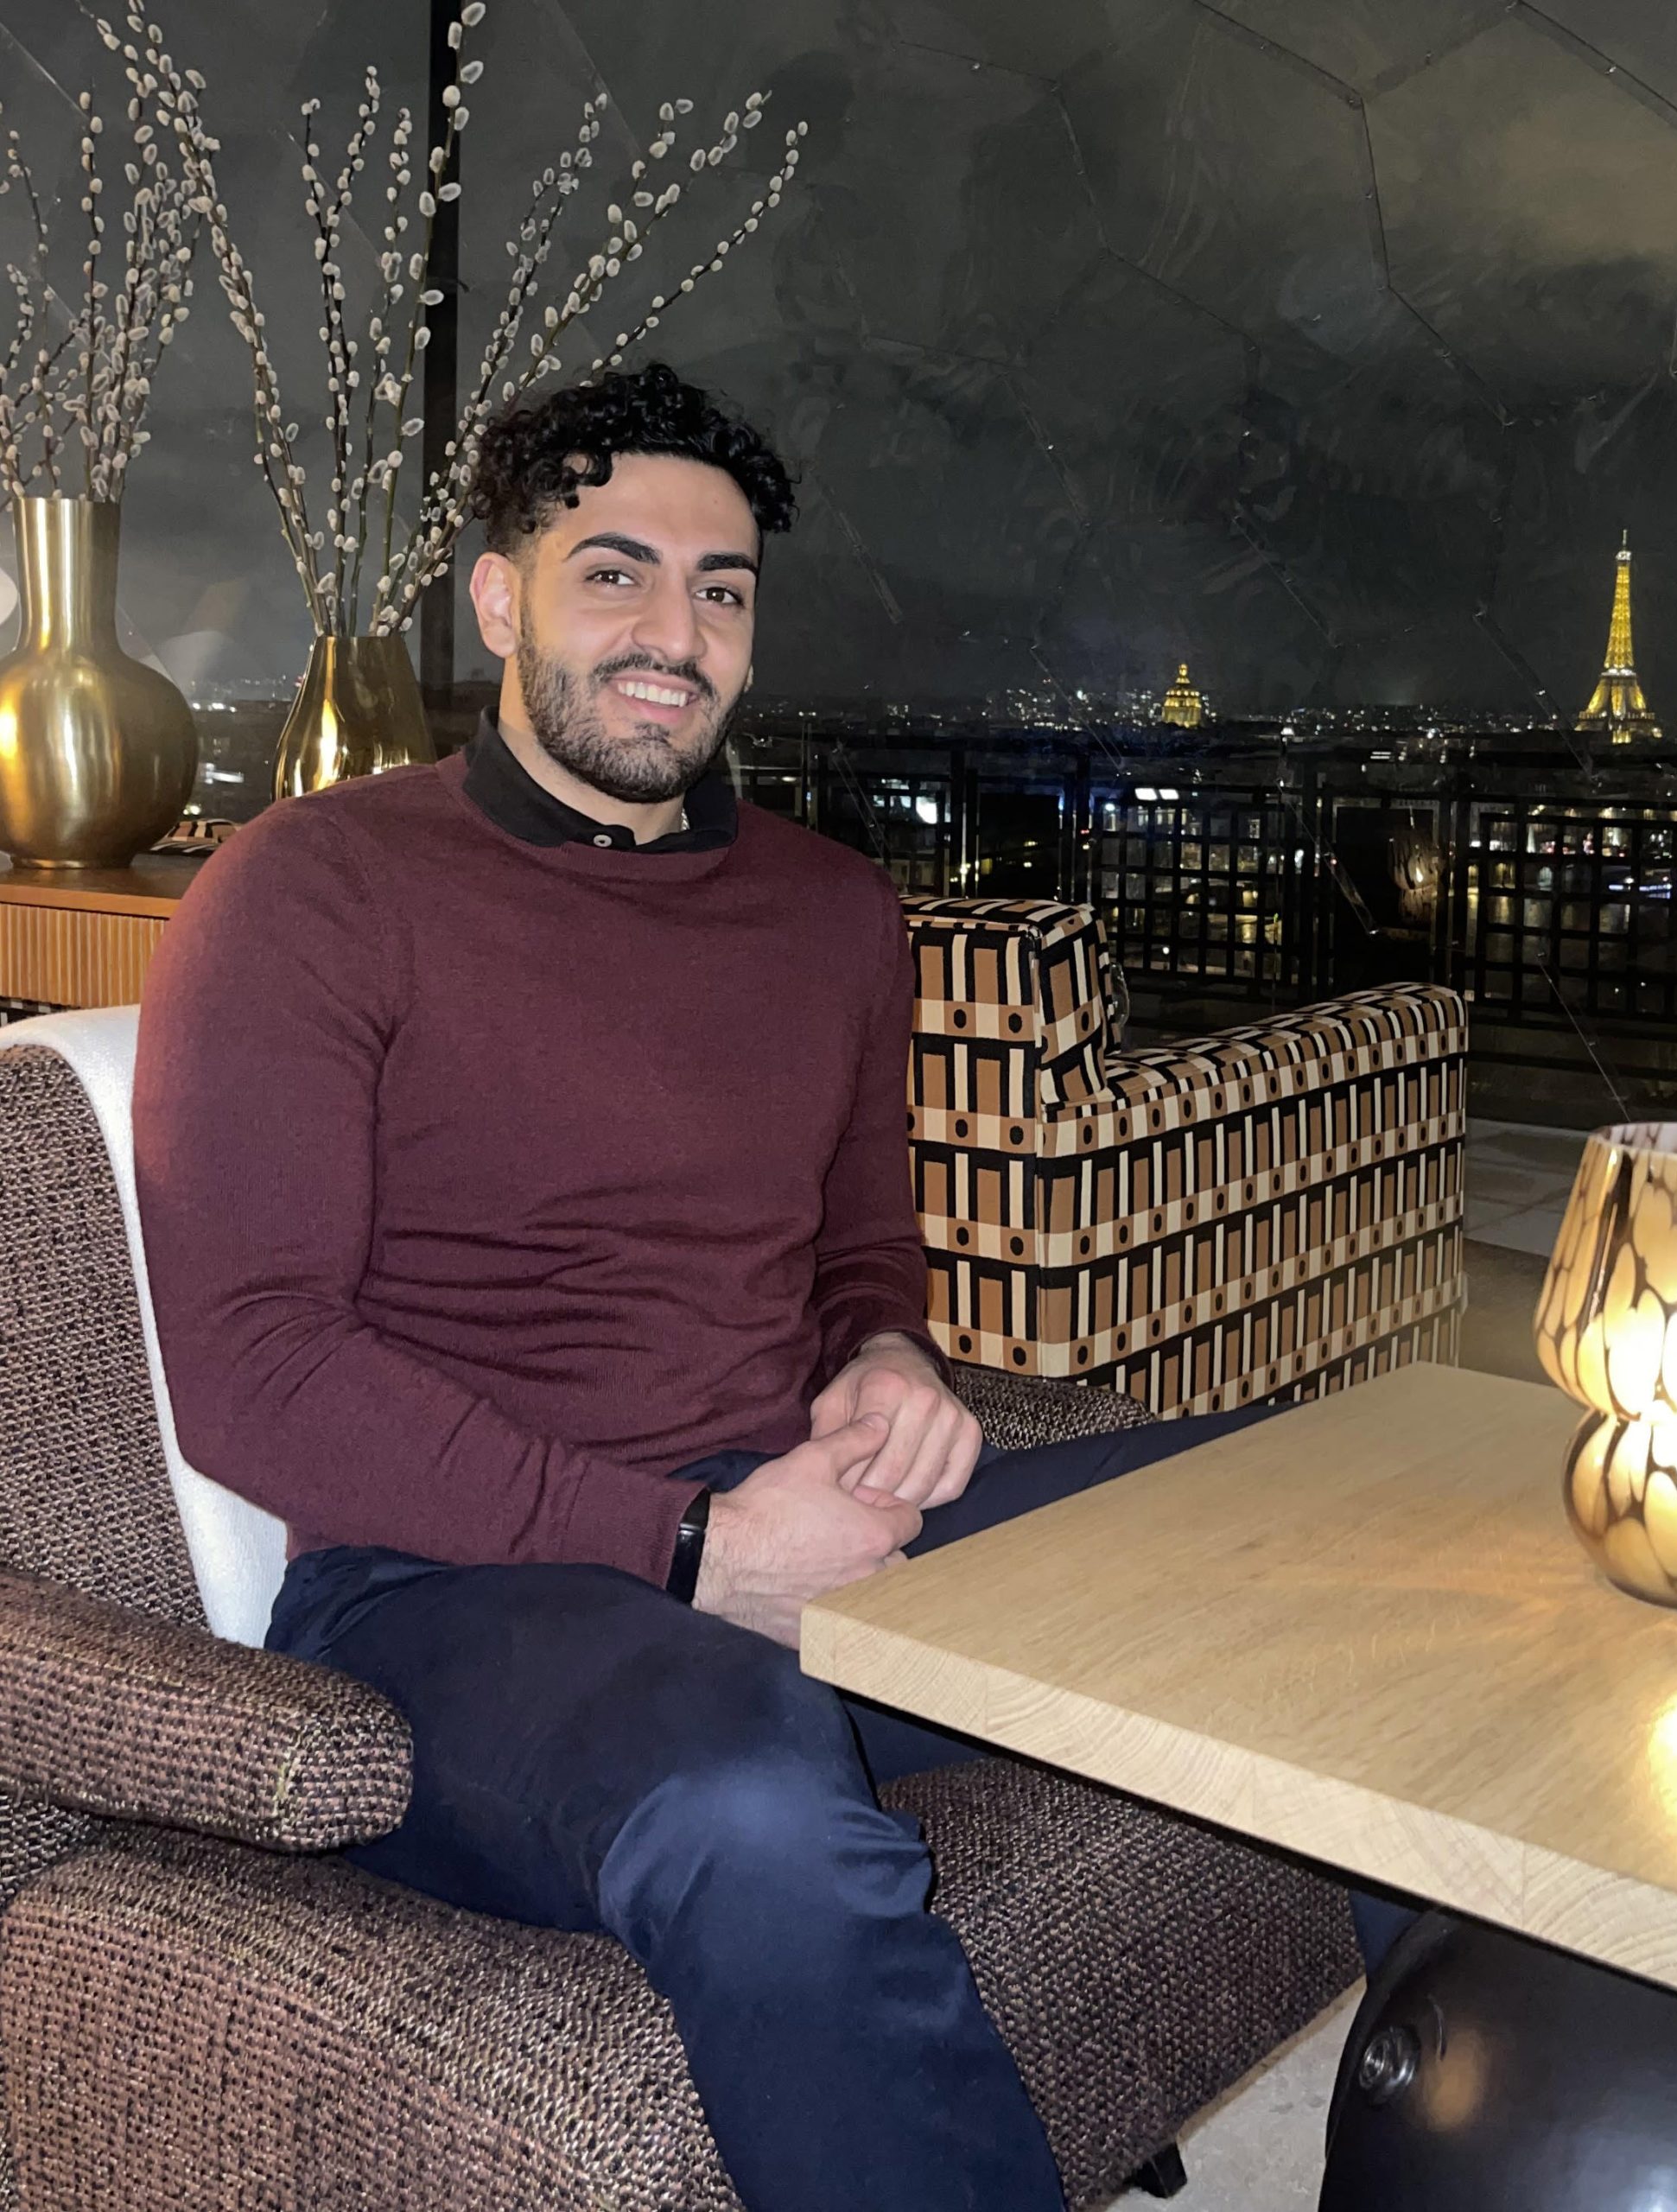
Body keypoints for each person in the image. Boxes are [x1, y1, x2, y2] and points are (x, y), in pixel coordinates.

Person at [133, 362, 1270, 2212]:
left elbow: (853, 1249)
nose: (675, 630)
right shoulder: (306, 891)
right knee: (751, 1811)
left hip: (805, 1517)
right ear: (499, 601)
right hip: (458, 1596)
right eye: (615, 572)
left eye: (721, 587)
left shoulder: (830, 910)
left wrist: (884, 1361)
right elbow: (256, 1371)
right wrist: (690, 1549)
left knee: (1272, 1523)